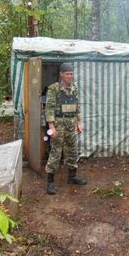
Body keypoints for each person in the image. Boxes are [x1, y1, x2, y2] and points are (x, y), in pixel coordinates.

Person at [45, 63, 87, 195]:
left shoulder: (74, 88)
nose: (70, 76)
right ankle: (50, 182)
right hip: (58, 123)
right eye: (67, 74)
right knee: (56, 151)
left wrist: (79, 122)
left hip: (71, 123)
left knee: (73, 150)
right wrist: (51, 128)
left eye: (71, 74)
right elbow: (49, 109)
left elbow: (77, 106)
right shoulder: (54, 89)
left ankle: (72, 177)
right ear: (61, 74)